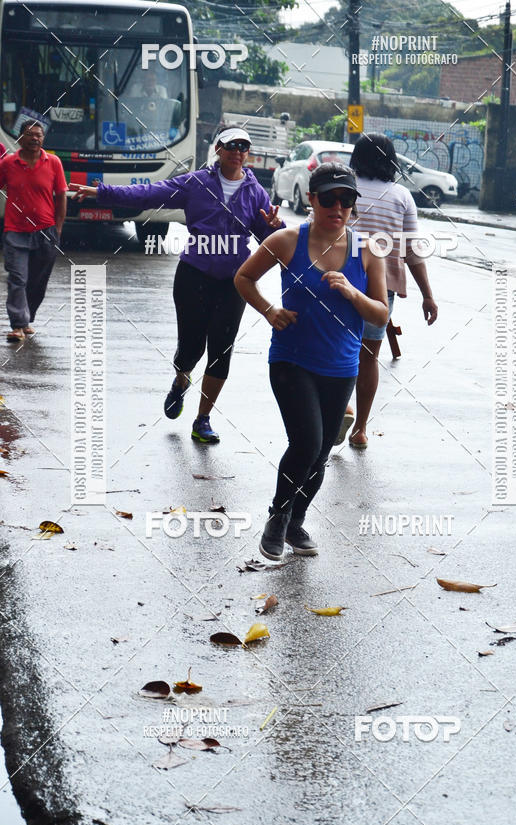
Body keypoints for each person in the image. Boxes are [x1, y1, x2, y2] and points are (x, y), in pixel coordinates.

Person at [70, 127, 283, 442]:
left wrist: (277, 227)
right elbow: (149, 192)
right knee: (191, 348)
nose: (237, 151)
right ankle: (181, 381)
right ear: (218, 149)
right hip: (193, 274)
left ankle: (202, 420)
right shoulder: (196, 183)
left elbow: (271, 238)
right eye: (231, 145)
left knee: (221, 351)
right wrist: (101, 192)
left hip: (234, 281)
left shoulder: (256, 192)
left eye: (243, 146)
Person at [234, 162, 388, 560]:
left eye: (346, 200)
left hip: (341, 368)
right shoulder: (288, 241)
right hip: (291, 360)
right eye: (328, 199)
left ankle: (296, 521)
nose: (338, 208)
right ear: (311, 199)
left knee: (321, 453)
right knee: (307, 442)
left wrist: (353, 293)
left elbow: (381, 314)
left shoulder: (367, 251)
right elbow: (243, 278)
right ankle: (277, 517)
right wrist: (269, 311)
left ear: (354, 205)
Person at [336, 132, 438, 449]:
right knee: (369, 358)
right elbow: (411, 251)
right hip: (381, 291)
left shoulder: (342, 186)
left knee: (336, 352)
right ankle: (361, 430)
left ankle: (341, 410)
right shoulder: (401, 196)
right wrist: (427, 294)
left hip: (338, 284)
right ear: (391, 160)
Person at [0, 120, 67, 342]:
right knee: (18, 278)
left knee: (38, 282)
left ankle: (27, 318)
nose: (35, 138)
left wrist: (57, 228)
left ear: (43, 139)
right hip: (15, 231)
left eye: (38, 135)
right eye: (30, 135)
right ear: (20, 138)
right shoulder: (8, 163)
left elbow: (61, 197)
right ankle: (18, 325)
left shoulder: (54, 162)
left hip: (46, 231)